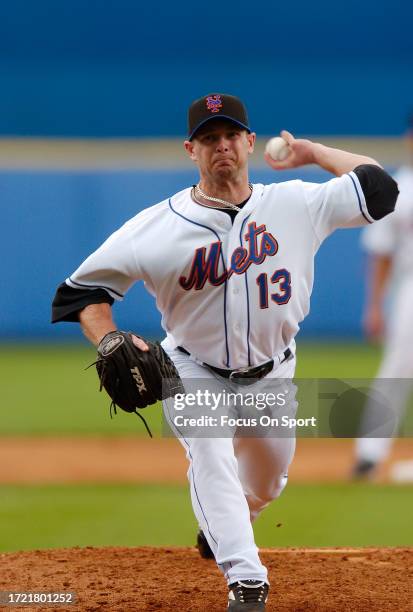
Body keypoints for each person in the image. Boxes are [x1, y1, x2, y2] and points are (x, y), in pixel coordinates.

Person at [51, 93, 398, 611]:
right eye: (209, 138)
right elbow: (79, 293)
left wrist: (313, 151)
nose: (222, 147)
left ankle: (226, 526)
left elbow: (381, 188)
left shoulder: (298, 203)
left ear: (249, 142)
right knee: (209, 452)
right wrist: (107, 337)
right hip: (192, 369)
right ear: (191, 150)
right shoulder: (156, 226)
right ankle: (247, 580)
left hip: (274, 373)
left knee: (266, 485)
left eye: (231, 135)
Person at [352, 116, 413, 480]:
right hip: (410, 286)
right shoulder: (399, 188)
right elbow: (381, 253)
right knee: (397, 368)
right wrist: (374, 305)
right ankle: (369, 455)